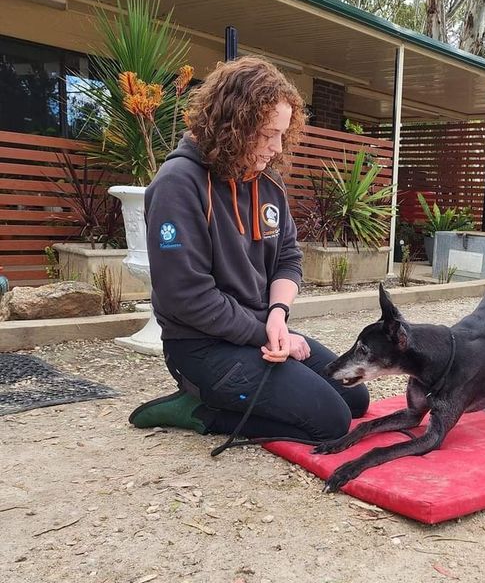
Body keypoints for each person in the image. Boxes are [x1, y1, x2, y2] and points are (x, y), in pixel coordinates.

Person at [129, 56, 369, 445]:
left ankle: (246, 390)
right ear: (233, 125)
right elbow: (187, 298)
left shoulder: (265, 182)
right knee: (331, 422)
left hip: (257, 332)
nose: (276, 148)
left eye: (282, 134)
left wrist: (277, 317)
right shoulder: (177, 184)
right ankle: (198, 409)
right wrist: (266, 334)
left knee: (354, 395)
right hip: (201, 347)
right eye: (266, 133)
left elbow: (289, 258)